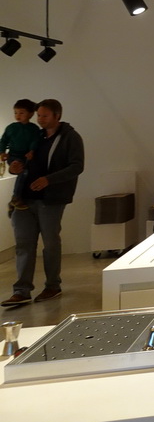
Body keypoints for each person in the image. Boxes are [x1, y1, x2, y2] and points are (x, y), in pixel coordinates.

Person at [2, 99, 85, 307]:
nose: (40, 119)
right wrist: (14, 166)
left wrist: (49, 180)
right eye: (38, 115)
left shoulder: (70, 137)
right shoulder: (34, 135)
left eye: (45, 115)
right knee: (23, 244)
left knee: (50, 243)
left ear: (57, 116)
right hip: (24, 198)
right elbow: (18, 157)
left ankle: (52, 286)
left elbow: (77, 166)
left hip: (51, 199)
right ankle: (21, 291)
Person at [1, 99, 39, 212]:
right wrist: (2, 152)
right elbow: (3, 140)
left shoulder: (34, 129)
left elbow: (35, 141)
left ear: (31, 114)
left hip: (25, 157)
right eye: (16, 112)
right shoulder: (11, 127)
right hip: (13, 156)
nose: (18, 115)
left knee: (27, 173)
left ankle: (18, 199)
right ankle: (16, 197)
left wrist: (32, 151)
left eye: (21, 113)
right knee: (23, 171)